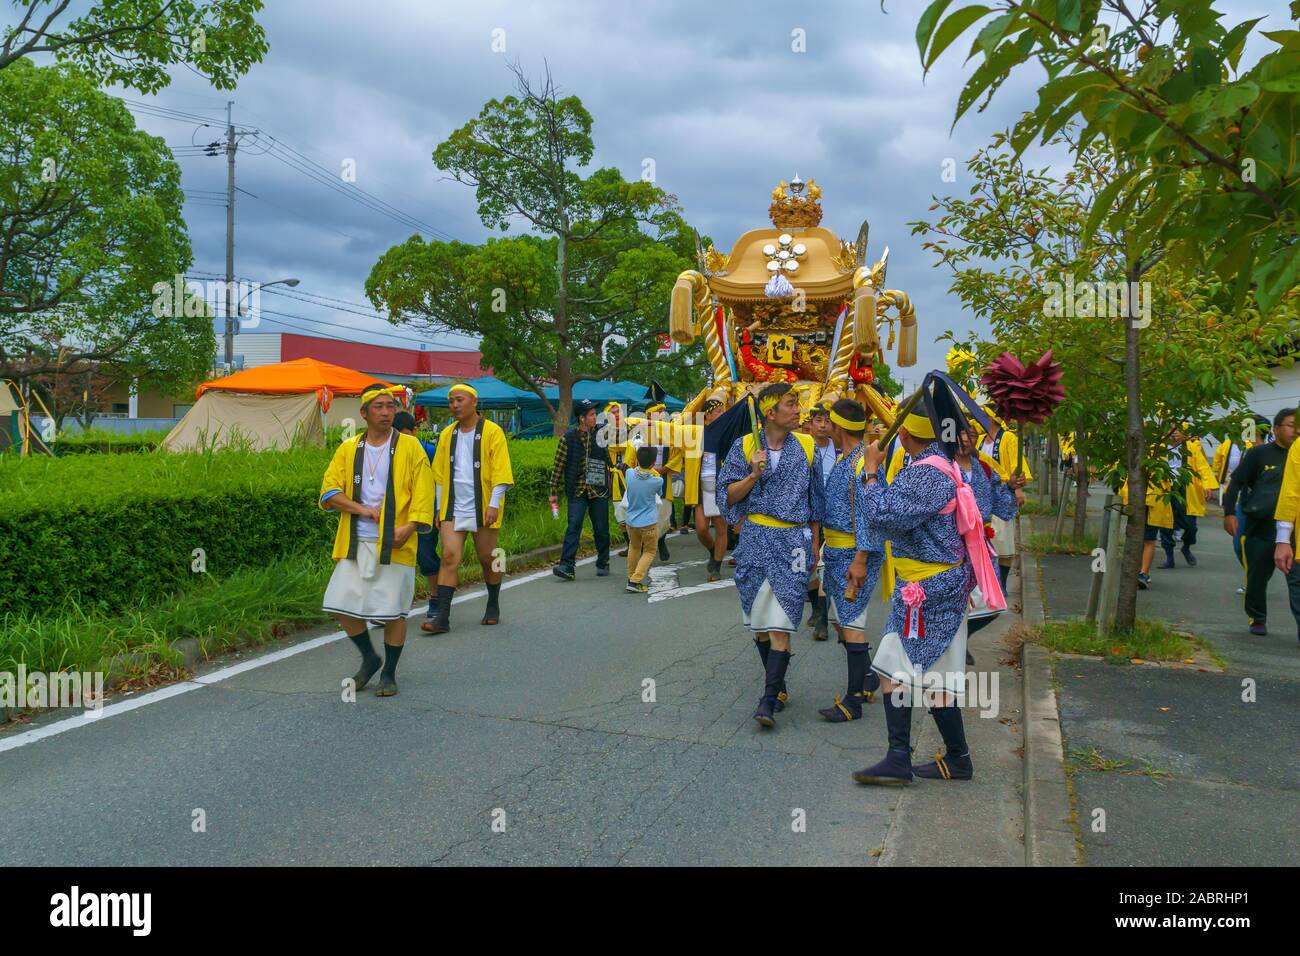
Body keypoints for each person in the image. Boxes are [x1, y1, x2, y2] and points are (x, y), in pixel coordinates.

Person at [851, 383, 1004, 786]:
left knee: (889, 667)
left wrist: (870, 472)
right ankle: (958, 759)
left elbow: (882, 516)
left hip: (927, 587)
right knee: (937, 678)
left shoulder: (925, 473)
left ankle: (898, 757)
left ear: (903, 435)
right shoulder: (943, 464)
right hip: (941, 582)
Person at [717, 383, 826, 728]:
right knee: (760, 626)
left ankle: (767, 699)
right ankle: (776, 687)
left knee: (782, 623)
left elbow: (816, 500)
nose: (798, 411)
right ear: (770, 413)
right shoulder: (744, 446)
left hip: (792, 540)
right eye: (792, 405)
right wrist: (753, 474)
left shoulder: (806, 447)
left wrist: (815, 542)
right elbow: (727, 497)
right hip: (754, 541)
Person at [319, 385, 434, 697]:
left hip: (395, 542)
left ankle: (389, 673)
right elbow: (329, 492)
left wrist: (409, 527)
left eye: (390, 406)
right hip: (354, 542)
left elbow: (425, 492)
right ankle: (369, 657)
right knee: (341, 605)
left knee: (393, 611)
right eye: (379, 406)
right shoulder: (348, 449)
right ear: (364, 413)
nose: (386, 412)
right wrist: (362, 510)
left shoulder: (410, 447)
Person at [815, 399, 885, 723]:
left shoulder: (861, 464)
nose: (823, 425)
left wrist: (860, 560)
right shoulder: (847, 459)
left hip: (856, 554)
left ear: (838, 426)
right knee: (840, 623)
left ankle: (853, 701)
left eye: (827, 420)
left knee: (852, 625)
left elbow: (871, 518)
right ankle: (868, 678)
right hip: (837, 551)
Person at [426, 383, 514, 633]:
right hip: (453, 505)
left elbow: (501, 470)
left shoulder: (492, 431)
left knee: (489, 557)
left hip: (483, 503)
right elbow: (440, 474)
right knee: (449, 557)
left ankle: (494, 601)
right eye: (451, 401)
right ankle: (442, 617)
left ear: (474, 401)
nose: (454, 405)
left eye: (460, 400)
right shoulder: (447, 434)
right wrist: (439, 507)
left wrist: (494, 503)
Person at [1224, 408, 1299, 638]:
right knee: (1256, 577)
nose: (1296, 430)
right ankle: (1257, 617)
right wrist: (1229, 513)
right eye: (1290, 425)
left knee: (1297, 582)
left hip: (1294, 532)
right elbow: (1236, 482)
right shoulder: (1259, 454)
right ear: (1276, 429)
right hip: (1261, 527)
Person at [393, 411, 444, 633]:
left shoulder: (430, 451)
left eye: (407, 434)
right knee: (391, 559)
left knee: (426, 555)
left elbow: (439, 482)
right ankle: (388, 606)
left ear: (415, 431)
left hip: (425, 512)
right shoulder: (390, 450)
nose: (403, 439)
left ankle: (435, 598)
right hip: (398, 514)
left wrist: (438, 510)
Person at [550, 399, 612, 581]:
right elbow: (558, 467)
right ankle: (567, 565)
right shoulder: (568, 439)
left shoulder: (601, 436)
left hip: (598, 489)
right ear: (582, 418)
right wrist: (553, 491)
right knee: (574, 526)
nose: (595, 417)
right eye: (592, 414)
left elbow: (608, 460)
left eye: (595, 414)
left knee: (601, 528)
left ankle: (603, 562)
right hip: (576, 491)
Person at [975, 406, 1030, 593]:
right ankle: (988, 584)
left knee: (1004, 542)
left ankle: (1002, 584)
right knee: (986, 541)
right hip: (983, 494)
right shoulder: (980, 440)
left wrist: (1018, 489)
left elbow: (1017, 464)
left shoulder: (1008, 438)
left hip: (1003, 491)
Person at [805, 400, 836, 641]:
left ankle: (823, 620)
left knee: (824, 565)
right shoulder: (803, 447)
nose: (823, 425)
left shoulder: (838, 448)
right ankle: (816, 606)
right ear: (810, 424)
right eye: (818, 420)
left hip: (833, 513)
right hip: (807, 513)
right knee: (808, 565)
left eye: (827, 420)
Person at [693, 397, 730, 581]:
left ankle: (716, 565)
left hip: (719, 484)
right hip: (701, 485)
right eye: (718, 412)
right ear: (707, 415)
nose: (722, 415)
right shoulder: (696, 433)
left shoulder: (726, 433)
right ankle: (712, 549)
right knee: (701, 528)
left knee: (721, 527)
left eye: (723, 412)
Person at [623, 445, 663, 593]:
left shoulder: (629, 474)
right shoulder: (657, 480)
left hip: (631, 520)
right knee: (650, 551)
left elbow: (634, 471)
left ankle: (630, 577)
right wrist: (653, 471)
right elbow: (660, 492)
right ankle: (635, 581)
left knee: (634, 547)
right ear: (653, 463)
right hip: (649, 522)